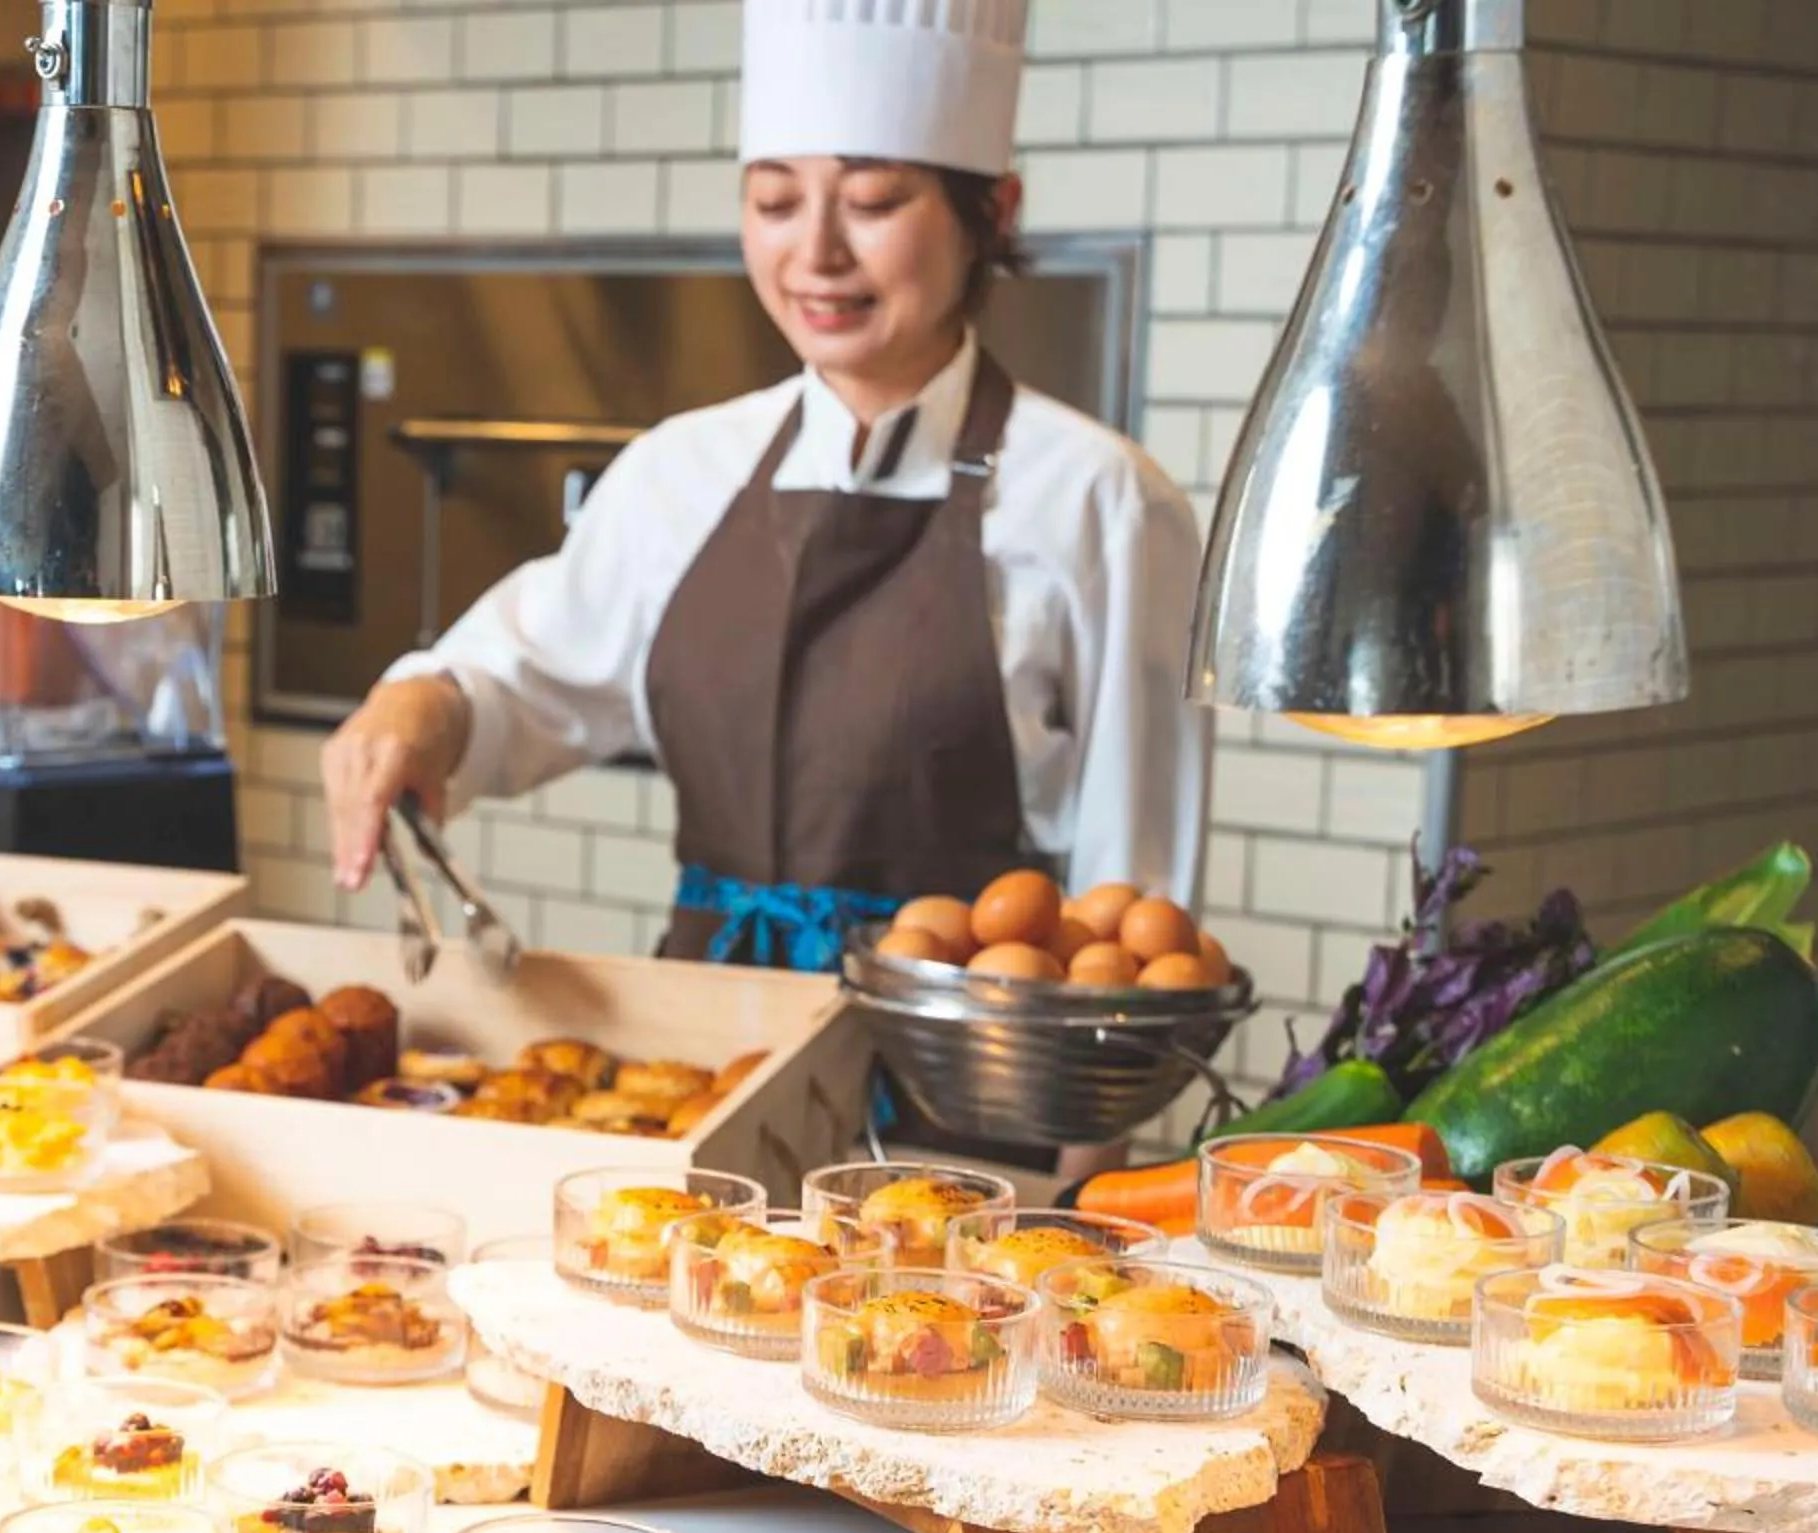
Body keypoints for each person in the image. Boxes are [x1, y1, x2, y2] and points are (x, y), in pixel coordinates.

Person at [323, 0, 1209, 986]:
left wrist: (1091, 1141)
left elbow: (1139, 921)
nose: (817, 253)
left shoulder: (1103, 503)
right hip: (716, 1045)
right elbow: (523, 683)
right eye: (776, 203)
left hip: (977, 1084)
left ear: (993, 214)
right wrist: (419, 709)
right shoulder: (681, 470)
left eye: (872, 202)